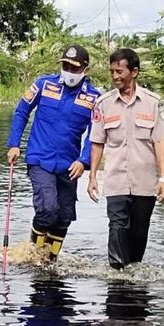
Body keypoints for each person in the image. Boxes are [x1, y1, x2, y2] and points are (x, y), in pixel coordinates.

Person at [6, 45, 101, 261]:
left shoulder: (94, 98)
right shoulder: (43, 84)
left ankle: (50, 260)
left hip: (69, 164)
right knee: (47, 209)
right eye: (65, 66)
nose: (68, 70)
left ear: (85, 69)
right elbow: (22, 111)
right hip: (40, 159)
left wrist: (83, 160)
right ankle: (33, 256)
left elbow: (96, 134)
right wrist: (14, 144)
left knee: (64, 216)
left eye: (74, 67)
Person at [87, 48, 164, 270]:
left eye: (120, 71)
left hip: (145, 183)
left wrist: (162, 178)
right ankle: (117, 277)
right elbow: (97, 142)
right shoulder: (103, 104)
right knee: (117, 227)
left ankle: (132, 274)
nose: (115, 76)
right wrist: (92, 176)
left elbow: (159, 142)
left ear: (134, 72)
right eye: (112, 72)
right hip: (116, 182)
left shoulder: (153, 103)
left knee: (139, 234)